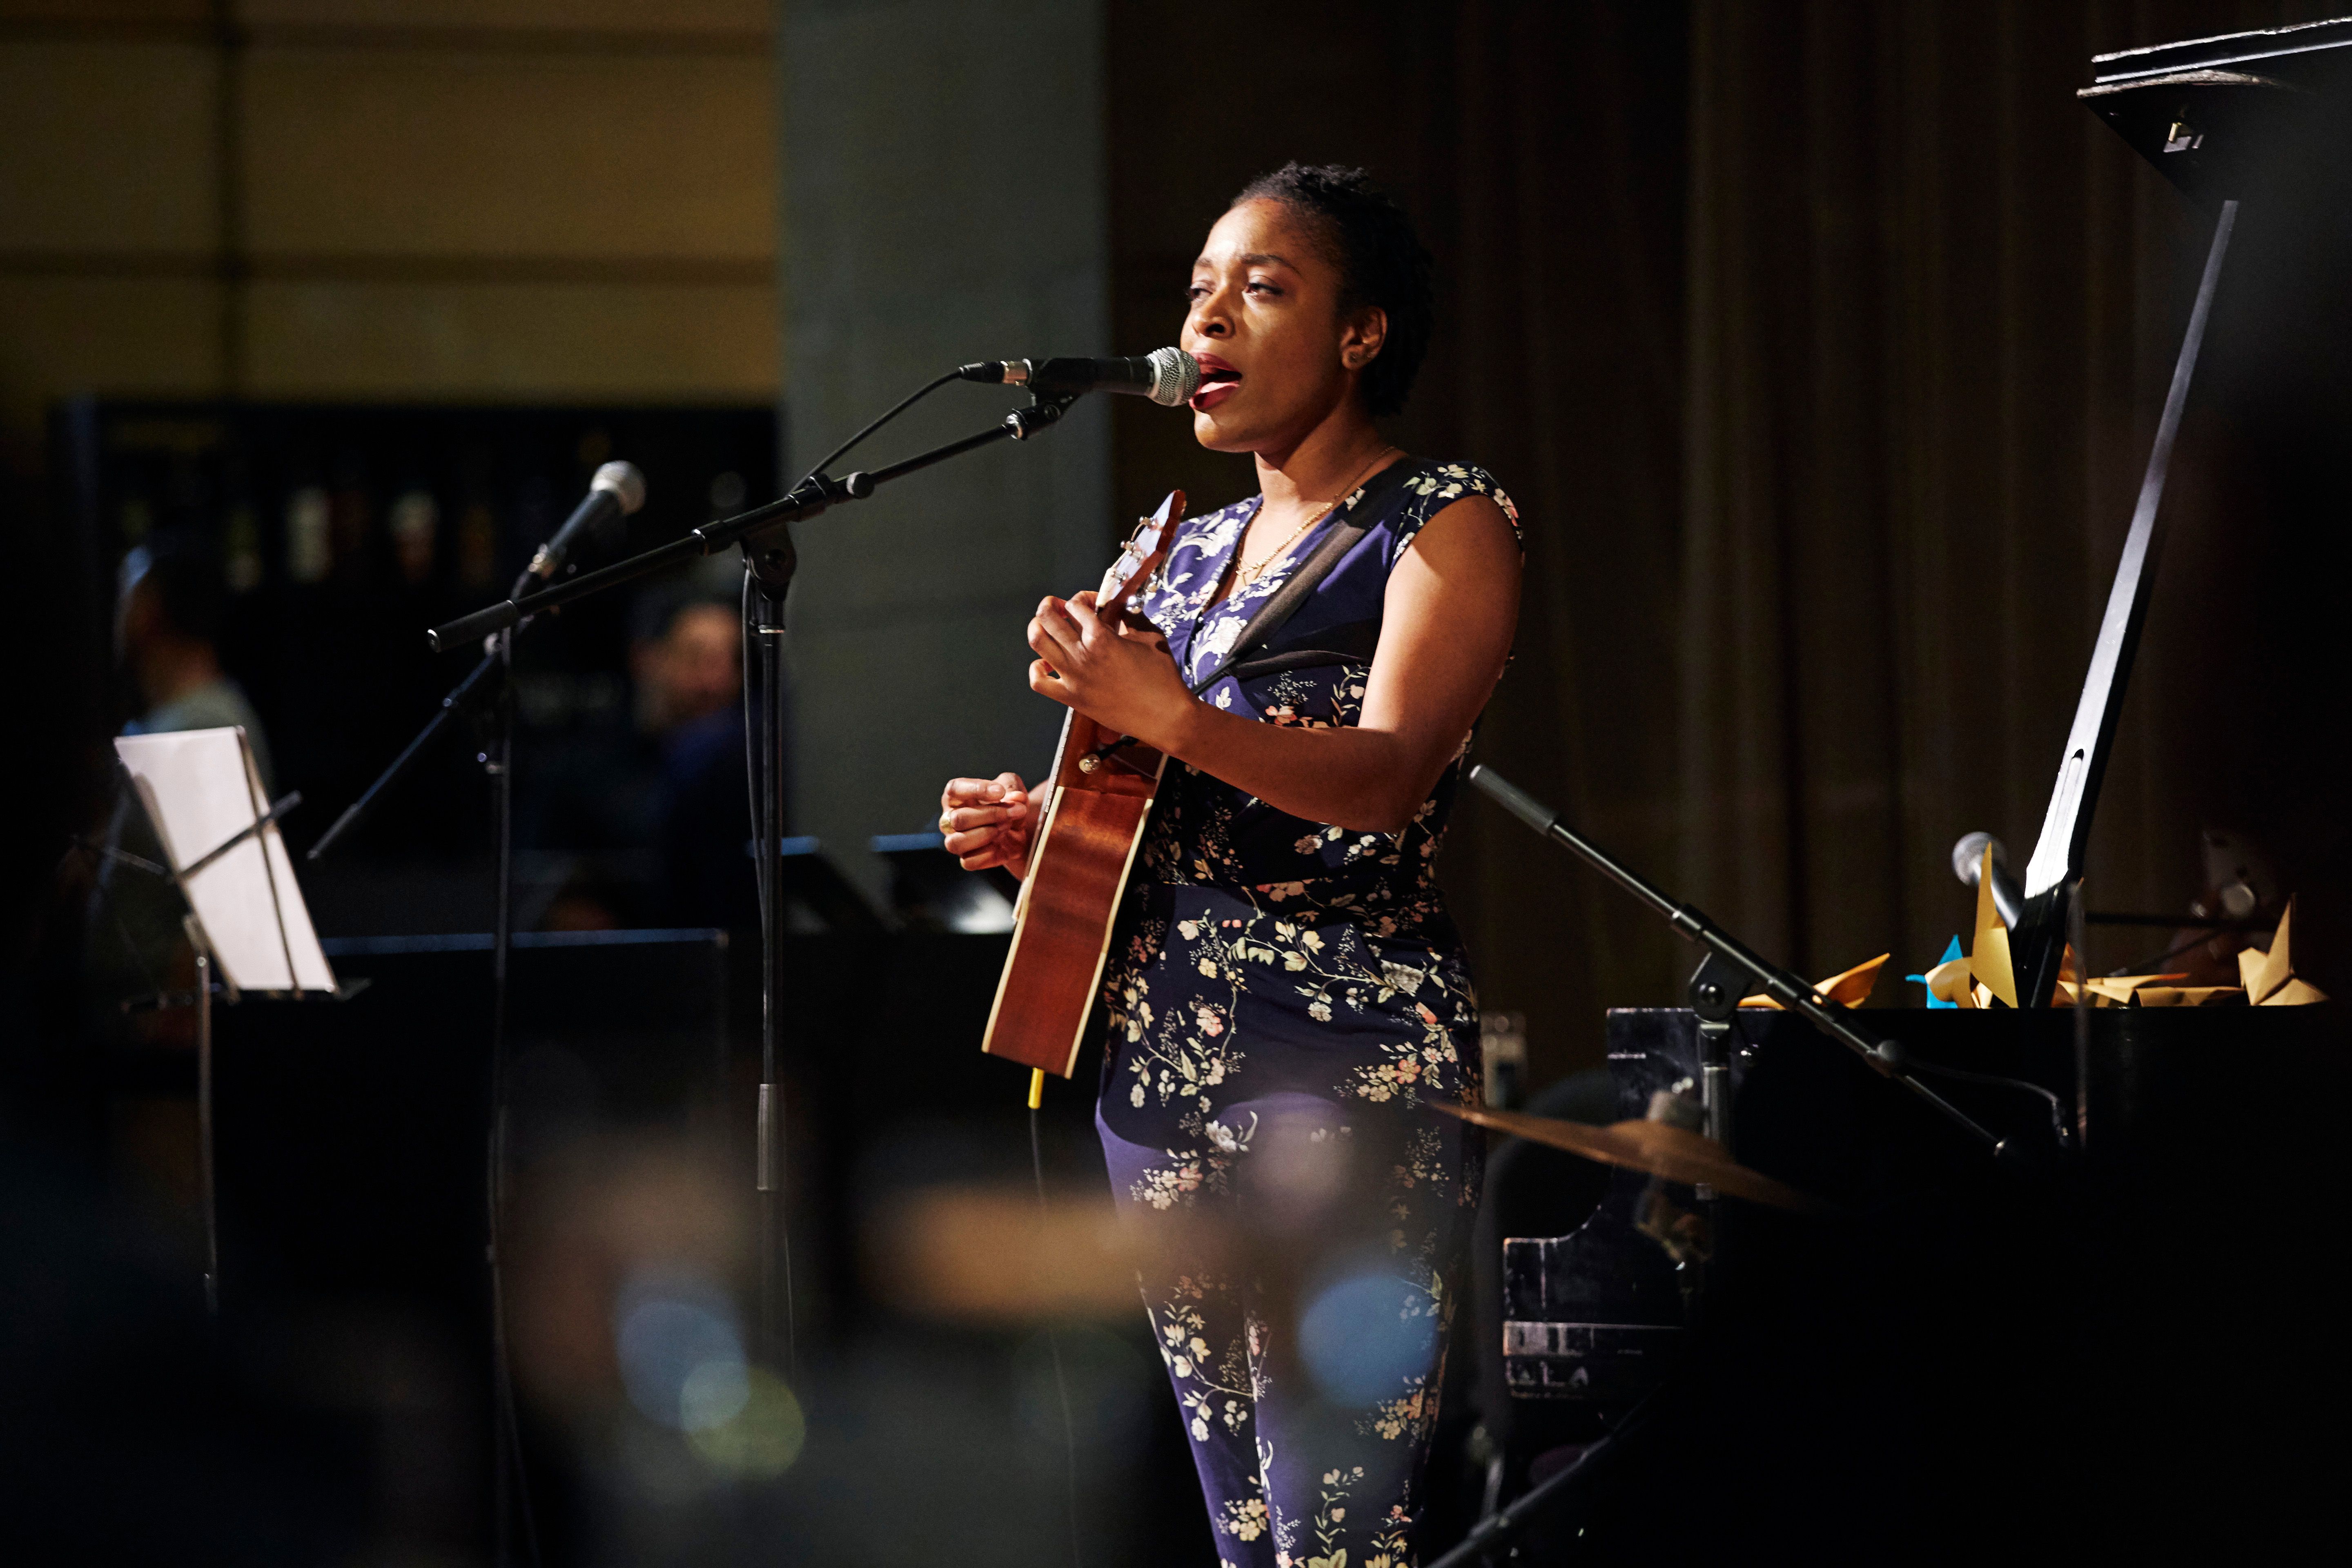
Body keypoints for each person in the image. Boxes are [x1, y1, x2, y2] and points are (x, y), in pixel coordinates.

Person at [940, 163, 1521, 1566]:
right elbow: (1158, 803)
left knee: (1338, 1525)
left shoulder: (1437, 517)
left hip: (1343, 1056)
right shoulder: (1175, 551)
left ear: (1362, 333)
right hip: (1156, 1068)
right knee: (1242, 1529)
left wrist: (1172, 719)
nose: (1208, 321)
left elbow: (1388, 778)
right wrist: (1045, 832)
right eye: (1200, 291)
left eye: (1263, 290)